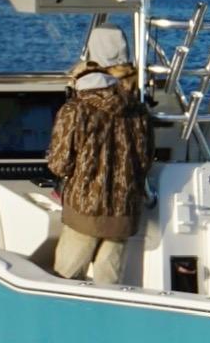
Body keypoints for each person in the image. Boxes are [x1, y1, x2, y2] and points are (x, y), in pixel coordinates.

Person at [46, 24, 152, 284]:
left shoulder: (75, 109)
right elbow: (144, 160)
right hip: (123, 209)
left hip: (85, 209)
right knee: (109, 282)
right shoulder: (138, 110)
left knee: (67, 279)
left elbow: (59, 164)